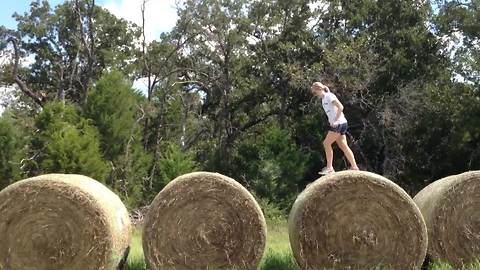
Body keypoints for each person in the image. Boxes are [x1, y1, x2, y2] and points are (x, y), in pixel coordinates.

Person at [311, 82, 359, 174]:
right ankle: (354, 167)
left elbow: (341, 107)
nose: (315, 95)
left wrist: (336, 120)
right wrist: (331, 120)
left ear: (319, 89)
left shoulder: (329, 96)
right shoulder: (324, 99)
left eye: (315, 92)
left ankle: (330, 168)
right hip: (340, 123)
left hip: (339, 124)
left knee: (326, 143)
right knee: (343, 146)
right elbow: (331, 112)